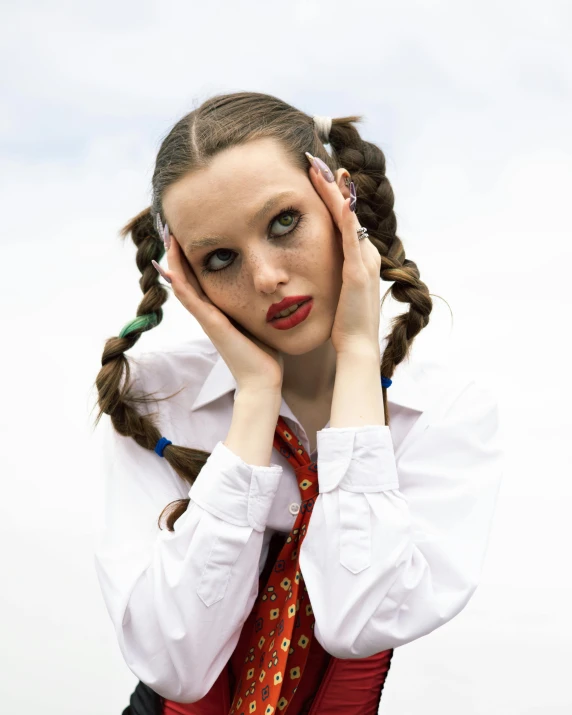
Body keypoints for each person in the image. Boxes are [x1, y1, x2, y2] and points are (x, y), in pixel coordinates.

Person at [92, 91, 503, 715]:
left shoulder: (445, 410)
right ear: (187, 276)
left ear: (341, 198)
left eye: (283, 223)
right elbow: (176, 666)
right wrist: (255, 401)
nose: (265, 278)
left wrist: (360, 357)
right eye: (220, 258)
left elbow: (355, 621)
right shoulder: (154, 401)